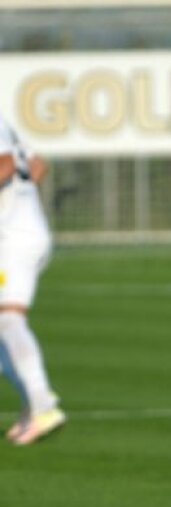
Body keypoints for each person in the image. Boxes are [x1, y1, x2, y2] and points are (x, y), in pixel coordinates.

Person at [0, 110, 66, 446]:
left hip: (15, 240)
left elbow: (7, 165)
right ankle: (33, 404)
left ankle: (43, 406)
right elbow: (38, 166)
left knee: (9, 320)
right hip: (19, 233)